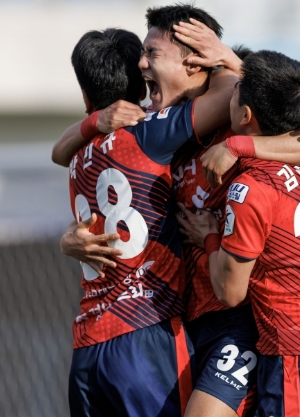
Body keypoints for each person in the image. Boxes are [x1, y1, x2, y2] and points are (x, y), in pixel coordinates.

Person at [55, 4, 300, 417]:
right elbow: (86, 170)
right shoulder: (165, 135)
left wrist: (235, 123)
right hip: (188, 323)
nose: (141, 65)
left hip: (243, 324)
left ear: (195, 62)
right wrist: (69, 237)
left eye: (152, 54)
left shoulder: (240, 129)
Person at [63, 26, 238, 417]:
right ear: (142, 87)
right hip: (144, 332)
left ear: (85, 95)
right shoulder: (149, 131)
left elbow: (60, 150)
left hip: (87, 347)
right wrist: (220, 55)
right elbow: (230, 94)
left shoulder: (76, 157)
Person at [180, 50, 300, 417]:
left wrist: (208, 237)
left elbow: (230, 292)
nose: (229, 92)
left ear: (245, 115)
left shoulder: (250, 189)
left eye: (236, 90)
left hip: (297, 362)